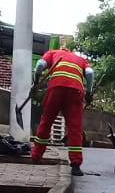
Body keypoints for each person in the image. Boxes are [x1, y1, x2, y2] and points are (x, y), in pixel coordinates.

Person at [30, 43, 94, 176]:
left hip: (56, 88)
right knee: (75, 129)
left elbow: (40, 65)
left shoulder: (52, 53)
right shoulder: (80, 59)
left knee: (46, 122)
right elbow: (89, 73)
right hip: (75, 91)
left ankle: (36, 156)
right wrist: (89, 92)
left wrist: (35, 83)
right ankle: (76, 165)